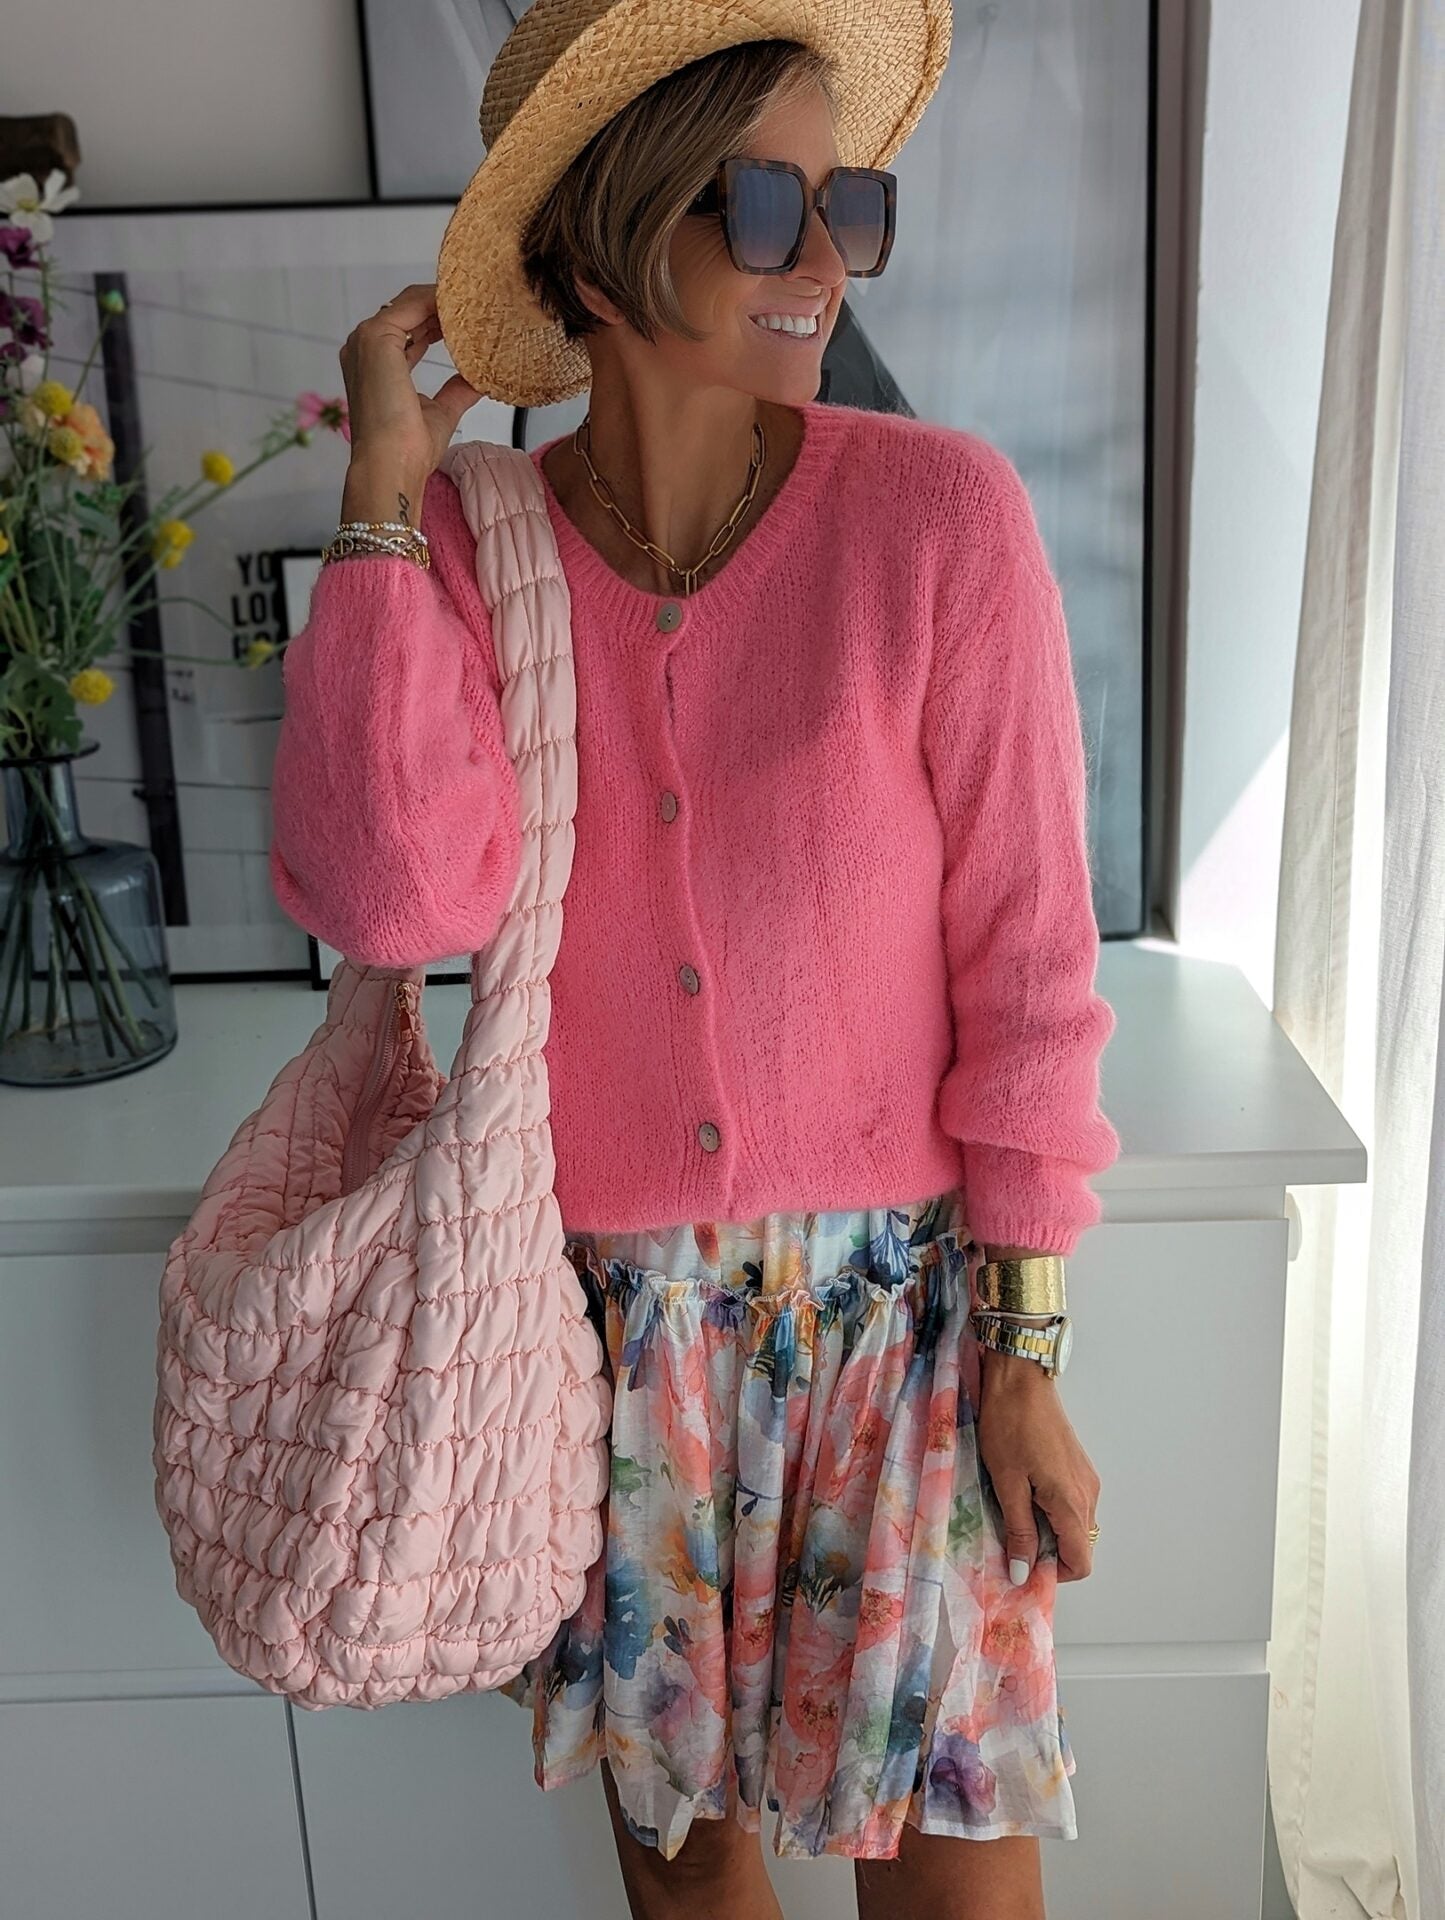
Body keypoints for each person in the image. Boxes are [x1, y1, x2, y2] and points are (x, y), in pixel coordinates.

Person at [268, 4, 1120, 1916]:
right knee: (691, 1881)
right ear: (596, 250)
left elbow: (1031, 974)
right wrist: (381, 502)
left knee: (957, 1880)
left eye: (847, 205)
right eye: (757, 205)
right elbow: (390, 901)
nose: (821, 259)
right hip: (606, 1339)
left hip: (902, 1332)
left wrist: (1022, 1358)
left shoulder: (937, 521)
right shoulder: (474, 548)